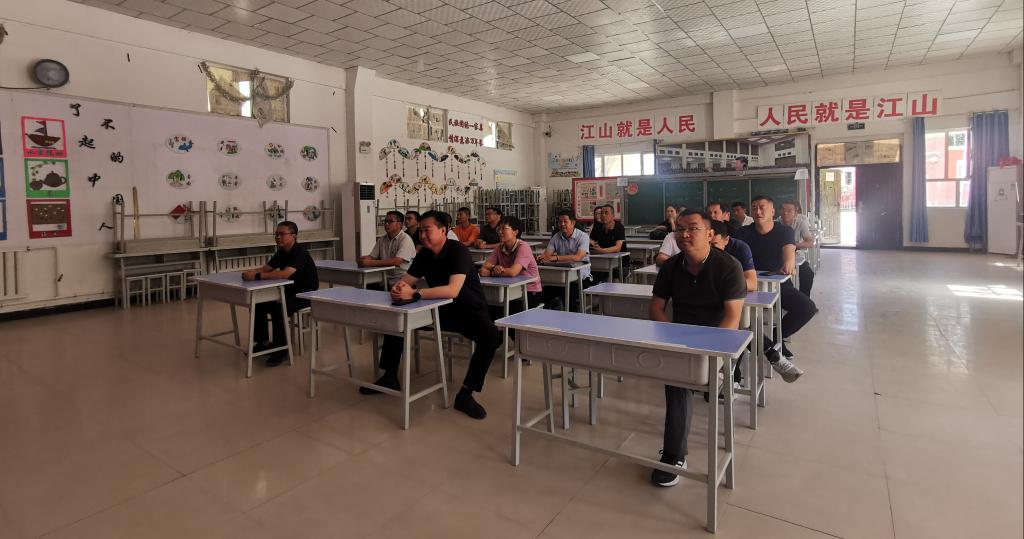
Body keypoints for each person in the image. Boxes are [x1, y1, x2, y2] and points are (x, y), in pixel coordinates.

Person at [363, 211, 498, 420]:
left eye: (427, 230)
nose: (423, 235)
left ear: (443, 230)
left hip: (468, 309)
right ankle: (389, 376)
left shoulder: (458, 251)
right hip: (439, 309)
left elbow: (453, 290)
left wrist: (415, 293)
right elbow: (407, 280)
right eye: (421, 231)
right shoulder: (425, 254)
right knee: (400, 314)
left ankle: (466, 394)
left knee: (491, 336)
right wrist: (398, 288)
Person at [648, 209, 745, 487]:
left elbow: (732, 318)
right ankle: (674, 455)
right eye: (680, 229)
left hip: (718, 342)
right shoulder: (671, 266)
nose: (684, 234)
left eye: (693, 228)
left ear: (710, 234)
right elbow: (656, 308)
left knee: (690, 378)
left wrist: (709, 352)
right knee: (677, 381)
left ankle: (724, 382)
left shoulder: (729, 266)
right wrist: (673, 340)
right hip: (681, 339)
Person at [734, 195, 817, 382]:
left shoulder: (784, 231)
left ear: (772, 211)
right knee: (741, 320)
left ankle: (772, 338)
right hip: (751, 287)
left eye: (762, 207)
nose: (758, 211)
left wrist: (789, 261)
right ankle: (736, 372)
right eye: (754, 207)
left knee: (807, 308)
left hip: (778, 285)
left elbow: (789, 250)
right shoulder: (743, 232)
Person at [241, 221, 319, 367]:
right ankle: (263, 343)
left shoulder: (300, 252)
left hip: (306, 294)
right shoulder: (281, 252)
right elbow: (267, 268)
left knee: (279, 308)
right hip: (288, 291)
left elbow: (285, 273)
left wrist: (257, 276)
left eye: (282, 234)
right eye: (276, 234)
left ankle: (281, 350)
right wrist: (251, 272)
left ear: (293, 236)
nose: (278, 237)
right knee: (258, 303)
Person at [480, 215, 542, 322]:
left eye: (504, 228)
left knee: (507, 312)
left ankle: (507, 332)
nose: (500, 232)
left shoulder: (523, 247)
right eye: (499, 229)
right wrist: (494, 267)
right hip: (508, 290)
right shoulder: (499, 248)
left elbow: (513, 272)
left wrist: (491, 272)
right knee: (486, 308)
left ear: (515, 232)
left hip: (528, 291)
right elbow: (483, 268)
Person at [538, 210, 591, 311]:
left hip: (580, 278)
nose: (562, 224)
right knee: (544, 292)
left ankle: (572, 318)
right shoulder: (556, 236)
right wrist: (541, 257)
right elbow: (547, 255)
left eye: (565, 221)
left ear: (573, 223)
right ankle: (545, 318)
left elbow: (578, 257)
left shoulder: (583, 236)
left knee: (570, 292)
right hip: (562, 276)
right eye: (560, 222)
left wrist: (556, 258)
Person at [358, 210, 415, 288]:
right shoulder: (382, 239)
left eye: (390, 221)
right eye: (385, 221)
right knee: (364, 285)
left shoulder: (405, 239)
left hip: (402, 279)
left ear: (400, 224)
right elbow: (372, 257)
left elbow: (397, 261)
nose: (386, 224)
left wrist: (369, 263)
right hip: (384, 277)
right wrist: (364, 260)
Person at [779, 201, 815, 296]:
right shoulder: (775, 223)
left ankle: (804, 298)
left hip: (796, 256)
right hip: (779, 257)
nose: (785, 213)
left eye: (789, 210)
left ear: (795, 213)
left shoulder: (800, 223)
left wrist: (793, 245)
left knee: (808, 273)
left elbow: (810, 243)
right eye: (783, 210)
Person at [711, 220, 757, 292]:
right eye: (706, 243)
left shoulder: (740, 248)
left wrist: (723, 285)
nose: (709, 249)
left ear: (726, 240)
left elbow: (752, 284)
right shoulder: (699, 248)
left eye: (714, 244)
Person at [588, 204, 629, 282]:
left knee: (615, 278)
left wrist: (601, 250)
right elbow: (591, 241)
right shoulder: (598, 227)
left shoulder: (618, 227)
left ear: (613, 216)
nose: (603, 215)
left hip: (620, 263)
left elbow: (617, 248)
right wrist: (592, 244)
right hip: (602, 261)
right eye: (602, 213)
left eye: (606, 213)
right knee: (589, 276)